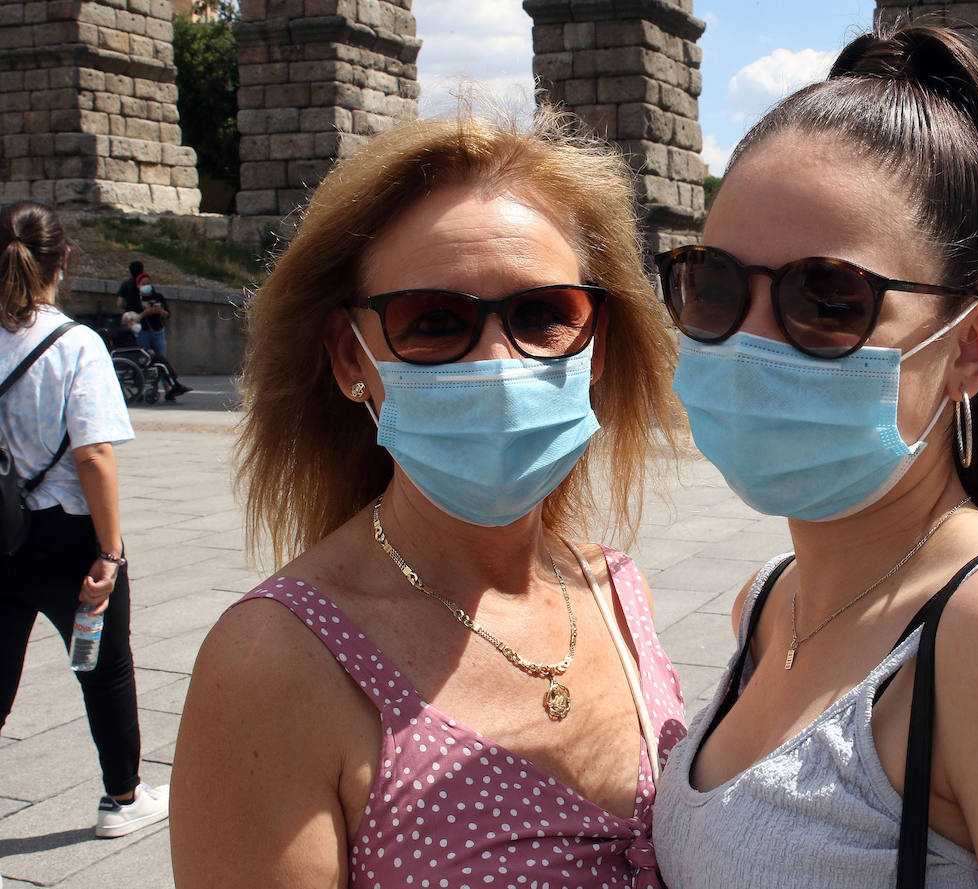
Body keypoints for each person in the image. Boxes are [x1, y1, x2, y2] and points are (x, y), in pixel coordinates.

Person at [652, 24, 978, 889]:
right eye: (710, 284)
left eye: (826, 297)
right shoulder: (767, 601)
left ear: (970, 346)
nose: (746, 340)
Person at [170, 111, 689, 888]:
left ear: (599, 340)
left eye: (543, 313)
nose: (497, 361)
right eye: (434, 321)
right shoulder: (272, 668)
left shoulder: (619, 590)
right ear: (352, 355)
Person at [0, 201, 169, 838]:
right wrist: (111, 551)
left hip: (1, 532)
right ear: (63, 261)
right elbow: (93, 453)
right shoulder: (77, 345)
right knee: (103, 666)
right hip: (70, 537)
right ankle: (122, 798)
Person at [128, 272, 190, 399]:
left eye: (148, 283)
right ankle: (150, 387)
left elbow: (168, 314)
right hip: (143, 333)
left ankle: (168, 388)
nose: (147, 286)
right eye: (144, 284)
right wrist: (145, 312)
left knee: (160, 359)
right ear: (138, 285)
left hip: (158, 331)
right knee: (148, 360)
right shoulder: (135, 300)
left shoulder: (158, 297)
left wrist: (161, 312)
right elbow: (131, 319)